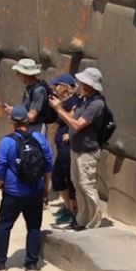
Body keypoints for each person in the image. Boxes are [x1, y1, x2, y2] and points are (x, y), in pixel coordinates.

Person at [0, 104, 53, 271]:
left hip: (13, 192)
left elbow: (0, 165)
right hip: (35, 190)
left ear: (12, 121)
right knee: (33, 227)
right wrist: (46, 186)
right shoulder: (39, 138)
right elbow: (48, 162)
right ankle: (31, 263)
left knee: (4, 226)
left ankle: (0, 263)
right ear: (27, 120)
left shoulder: (7, 141)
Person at [50, 66, 110, 230]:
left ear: (90, 84)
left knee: (87, 187)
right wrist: (62, 109)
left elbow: (77, 124)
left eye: (83, 81)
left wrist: (58, 109)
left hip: (87, 152)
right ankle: (82, 219)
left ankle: (94, 222)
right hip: (76, 150)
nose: (80, 84)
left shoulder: (96, 104)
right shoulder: (85, 100)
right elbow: (72, 118)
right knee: (77, 186)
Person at [47, 74, 80, 227]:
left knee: (68, 178)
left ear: (64, 87)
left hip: (69, 147)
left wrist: (58, 108)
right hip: (61, 146)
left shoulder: (74, 102)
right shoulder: (63, 102)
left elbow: (73, 121)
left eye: (57, 85)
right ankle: (68, 207)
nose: (55, 88)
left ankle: (74, 211)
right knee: (58, 178)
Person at [0, 58, 51, 134]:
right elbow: (26, 110)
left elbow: (32, 117)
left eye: (18, 72)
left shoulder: (38, 90)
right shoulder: (29, 88)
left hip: (36, 129)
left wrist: (14, 112)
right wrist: (14, 110)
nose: (17, 75)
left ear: (25, 74)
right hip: (28, 127)